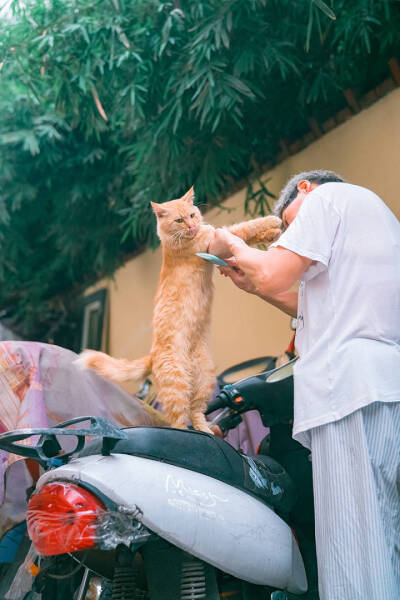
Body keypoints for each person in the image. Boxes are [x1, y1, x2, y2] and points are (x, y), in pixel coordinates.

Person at [208, 170, 400, 600]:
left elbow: (276, 272)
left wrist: (233, 246)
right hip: (386, 388)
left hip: (350, 394)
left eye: (290, 230)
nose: (291, 238)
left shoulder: (324, 200)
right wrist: (255, 285)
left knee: (354, 547)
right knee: (386, 536)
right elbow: (314, 305)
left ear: (306, 189)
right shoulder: (379, 219)